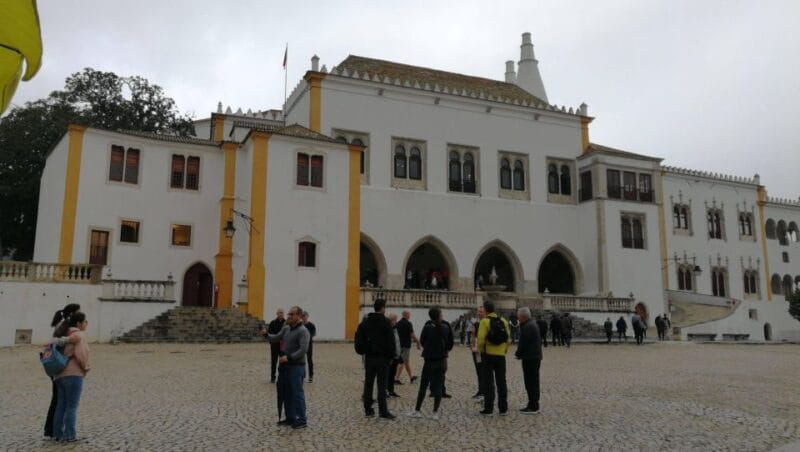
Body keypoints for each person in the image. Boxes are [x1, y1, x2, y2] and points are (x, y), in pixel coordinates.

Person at [267, 306, 310, 429]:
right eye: (289, 314)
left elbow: (303, 350)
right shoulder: (286, 329)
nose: (289, 316)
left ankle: (302, 419)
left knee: (297, 393)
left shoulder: (303, 331)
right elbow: (275, 338)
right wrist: (265, 334)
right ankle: (290, 417)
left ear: (299, 316)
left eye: (292, 314)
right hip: (285, 367)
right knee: (287, 393)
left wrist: (289, 357)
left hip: (296, 367)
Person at [52, 311, 90, 442]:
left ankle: (57, 434)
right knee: (72, 406)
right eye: (85, 321)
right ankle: (70, 435)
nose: (86, 324)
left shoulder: (63, 334)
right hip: (74, 374)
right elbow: (82, 355)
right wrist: (86, 367)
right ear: (79, 323)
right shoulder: (79, 335)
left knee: (61, 405)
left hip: (59, 374)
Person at [355, 298, 396, 419]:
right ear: (383, 308)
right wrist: (391, 356)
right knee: (381, 385)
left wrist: (364, 351)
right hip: (382, 358)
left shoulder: (365, 322)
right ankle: (383, 411)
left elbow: (359, 340)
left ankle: (368, 409)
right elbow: (391, 341)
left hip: (369, 357)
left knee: (368, 383)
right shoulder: (386, 322)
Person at [45, 303, 81, 440]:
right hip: (60, 366)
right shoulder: (65, 325)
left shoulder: (62, 324)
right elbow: (55, 341)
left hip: (57, 366)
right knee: (60, 402)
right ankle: (53, 430)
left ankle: (53, 431)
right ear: (72, 314)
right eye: (78, 312)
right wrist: (69, 339)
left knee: (58, 401)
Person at [407, 307, 451, 419]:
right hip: (442, 360)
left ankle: (417, 410)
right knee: (438, 386)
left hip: (430, 360)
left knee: (424, 386)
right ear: (439, 316)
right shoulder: (446, 327)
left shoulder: (427, 328)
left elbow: (422, 341)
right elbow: (450, 344)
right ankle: (435, 412)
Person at [477, 300, 511, 415]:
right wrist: (504, 350)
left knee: (489, 382)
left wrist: (482, 350)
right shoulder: (503, 321)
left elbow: (481, 340)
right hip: (501, 355)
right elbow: (508, 339)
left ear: (485, 310)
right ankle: (503, 408)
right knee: (502, 382)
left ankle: (489, 408)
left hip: (488, 355)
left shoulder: (484, 322)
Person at [515, 307, 542, 414]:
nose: (517, 318)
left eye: (518, 316)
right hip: (534, 356)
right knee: (533, 381)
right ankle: (533, 403)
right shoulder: (532, 324)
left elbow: (523, 343)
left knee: (530, 382)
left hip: (530, 358)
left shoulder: (528, 326)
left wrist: (518, 353)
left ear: (522, 317)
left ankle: (533, 405)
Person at [394, 310, 420, 384]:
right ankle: (396, 378)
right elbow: (412, 334)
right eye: (409, 314)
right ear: (406, 315)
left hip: (399, 345)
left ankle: (411, 377)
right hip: (406, 345)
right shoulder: (408, 323)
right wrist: (418, 342)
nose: (410, 316)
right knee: (402, 362)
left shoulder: (397, 323)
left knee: (406, 361)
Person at [470, 307, 486, 400]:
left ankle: (484, 391)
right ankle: (480, 390)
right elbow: (472, 335)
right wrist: (472, 347)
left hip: (483, 351)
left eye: (481, 311)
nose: (479, 313)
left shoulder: (486, 322)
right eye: (478, 311)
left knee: (483, 371)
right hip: (476, 351)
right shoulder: (476, 323)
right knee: (478, 371)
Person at [266, 309, 286, 383]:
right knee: (273, 361)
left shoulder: (286, 323)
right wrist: (271, 342)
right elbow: (269, 333)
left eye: (282, 313)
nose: (281, 314)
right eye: (279, 313)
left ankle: (282, 377)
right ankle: (273, 377)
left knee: (283, 362)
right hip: (274, 345)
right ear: (277, 313)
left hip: (283, 346)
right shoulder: (273, 323)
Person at [386, 313, 402, 398]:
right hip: (390, 356)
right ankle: (386, 390)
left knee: (392, 374)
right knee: (388, 374)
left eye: (396, 319)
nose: (396, 321)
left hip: (396, 356)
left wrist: (399, 355)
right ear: (390, 320)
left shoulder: (395, 329)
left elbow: (397, 342)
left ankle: (391, 390)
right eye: (394, 320)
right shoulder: (388, 329)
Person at [301, 311, 316, 382]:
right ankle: (302, 375)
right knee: (302, 360)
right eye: (303, 316)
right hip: (301, 345)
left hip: (309, 345)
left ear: (307, 316)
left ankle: (311, 376)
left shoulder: (311, 325)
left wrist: (307, 338)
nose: (304, 317)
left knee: (309, 360)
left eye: (305, 316)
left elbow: (313, 334)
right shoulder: (300, 325)